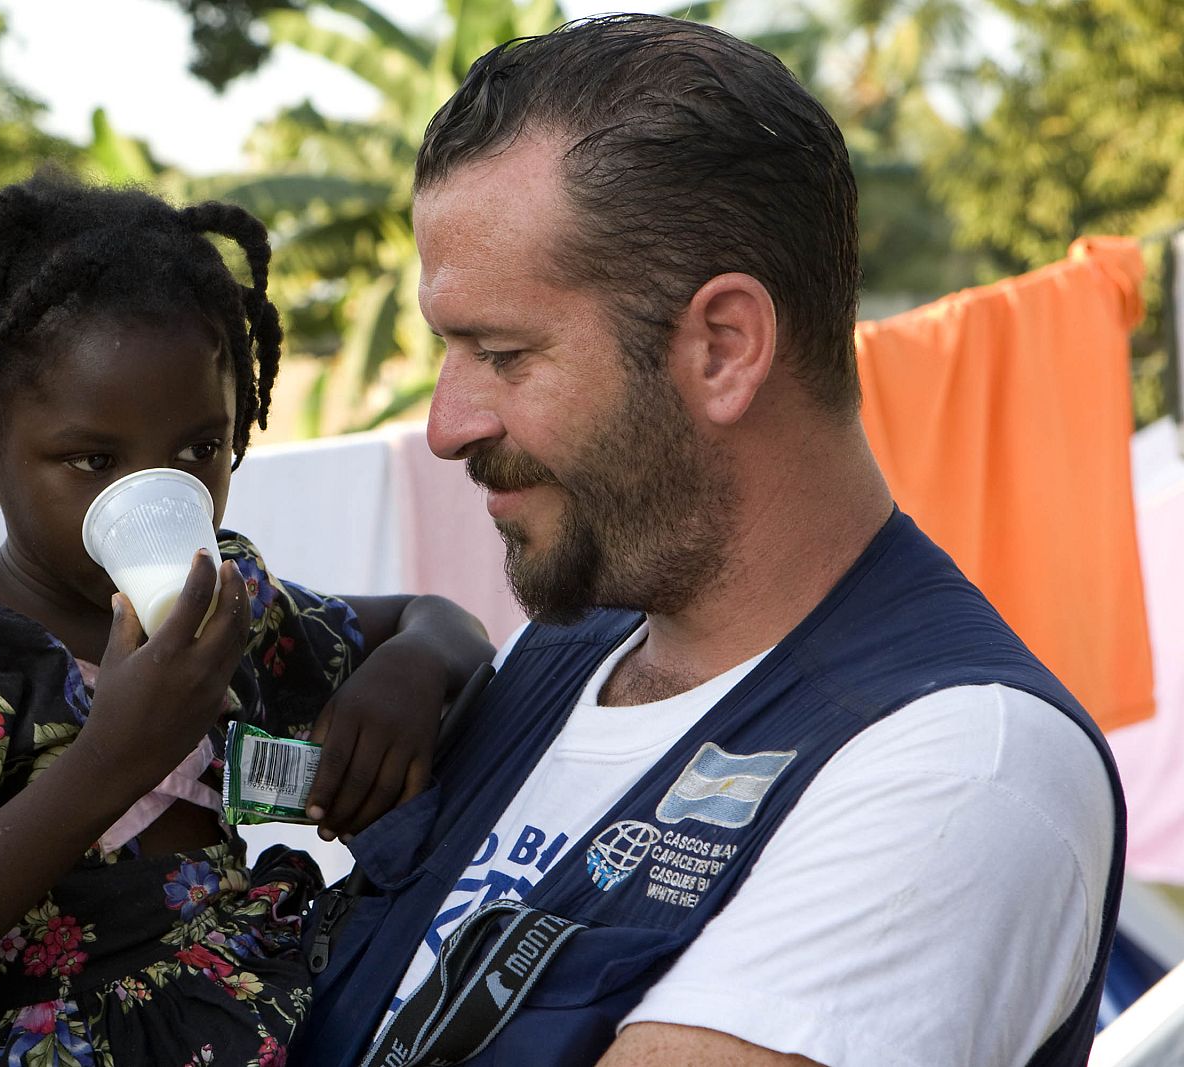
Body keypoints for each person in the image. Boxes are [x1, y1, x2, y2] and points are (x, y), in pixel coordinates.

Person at [297, 14, 1124, 1067]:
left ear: (723, 347)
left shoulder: (961, 764)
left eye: (502, 353)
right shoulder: (551, 657)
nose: (446, 424)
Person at [0, 170, 492, 1066]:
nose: (156, 494)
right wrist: (114, 758)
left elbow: (439, 622)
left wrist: (409, 666)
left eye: (199, 449)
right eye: (94, 458)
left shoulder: (220, 606)